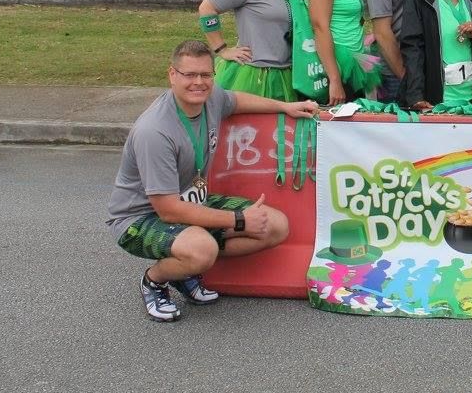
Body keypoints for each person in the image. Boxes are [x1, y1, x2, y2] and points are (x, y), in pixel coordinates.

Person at [107, 40, 319, 322]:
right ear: (172, 75)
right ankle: (155, 280)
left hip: (190, 201)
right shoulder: (155, 131)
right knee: (203, 249)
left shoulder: (211, 98)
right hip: (139, 218)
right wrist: (238, 220)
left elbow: (237, 100)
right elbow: (168, 210)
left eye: (206, 75)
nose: (199, 82)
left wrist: (285, 106)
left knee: (275, 226)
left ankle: (184, 270)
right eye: (189, 75)